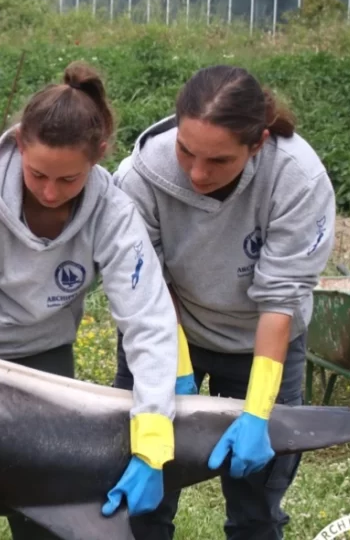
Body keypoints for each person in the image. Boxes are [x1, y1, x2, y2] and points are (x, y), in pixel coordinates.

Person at [0, 61, 183, 539]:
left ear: (98, 158)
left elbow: (148, 320)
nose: (51, 192)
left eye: (68, 180)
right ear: (19, 144)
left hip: (47, 356)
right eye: (37, 175)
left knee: (41, 504)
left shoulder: (113, 211)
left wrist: (153, 435)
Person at [112, 64, 337, 540]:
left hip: (260, 339)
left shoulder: (296, 178)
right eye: (186, 152)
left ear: (256, 146)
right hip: (169, 329)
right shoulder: (139, 177)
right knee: (145, 499)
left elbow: (280, 301)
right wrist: (174, 368)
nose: (197, 173)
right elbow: (147, 287)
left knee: (256, 507)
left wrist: (257, 412)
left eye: (218, 162)